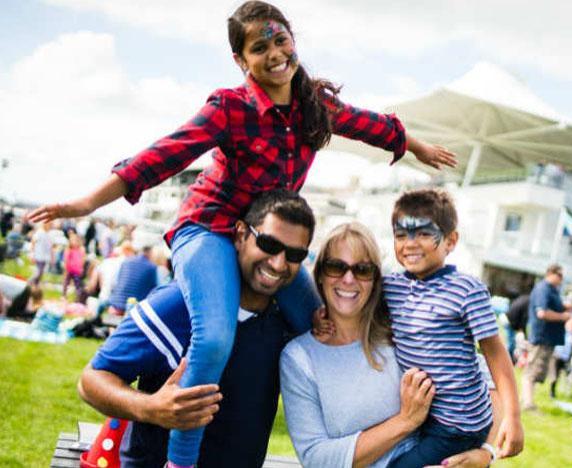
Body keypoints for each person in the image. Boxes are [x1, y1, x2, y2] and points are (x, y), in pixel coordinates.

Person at [27, 2, 456, 466]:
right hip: (209, 229)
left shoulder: (315, 104)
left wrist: (415, 146)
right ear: (240, 60)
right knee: (212, 338)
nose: (274, 53)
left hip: (265, 230)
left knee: (321, 318)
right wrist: (89, 203)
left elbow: (368, 124)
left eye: (280, 40)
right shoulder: (230, 107)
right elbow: (163, 155)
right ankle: (181, 460)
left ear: (293, 39)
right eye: (259, 47)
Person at [78, 190, 321, 467]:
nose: (278, 263)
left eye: (294, 254)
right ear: (241, 235)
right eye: (267, 244)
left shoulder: (285, 322)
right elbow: (91, 381)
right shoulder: (178, 306)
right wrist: (151, 408)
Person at [281, 222, 501, 468]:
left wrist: (486, 453)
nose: (348, 279)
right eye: (336, 267)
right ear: (320, 274)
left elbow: (490, 381)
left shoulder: (402, 331)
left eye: (362, 270)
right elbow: (316, 458)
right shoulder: (300, 358)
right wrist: (405, 421)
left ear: (375, 279)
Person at [382, 189, 523, 467]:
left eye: (423, 233)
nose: (410, 244)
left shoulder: (466, 290)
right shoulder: (392, 287)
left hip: (458, 422)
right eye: (401, 235)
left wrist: (513, 417)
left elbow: (495, 353)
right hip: (422, 413)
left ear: (451, 240)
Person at [522, 263, 571, 410]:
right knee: (532, 370)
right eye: (560, 275)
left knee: (537, 371)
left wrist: (563, 307)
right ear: (551, 273)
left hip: (547, 337)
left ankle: (526, 399)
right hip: (541, 336)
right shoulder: (543, 288)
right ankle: (528, 402)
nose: (562, 279)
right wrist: (563, 316)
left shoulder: (552, 290)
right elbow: (542, 313)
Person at [107, 245, 158, 315]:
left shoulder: (126, 261)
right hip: (135, 308)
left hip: (115, 305)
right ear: (150, 254)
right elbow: (154, 290)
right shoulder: (152, 267)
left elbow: (117, 281)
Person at [549, 313, 572, 399]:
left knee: (567, 374)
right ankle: (552, 391)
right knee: (554, 375)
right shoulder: (561, 331)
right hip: (557, 355)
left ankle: (566, 393)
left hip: (566, 358)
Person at [505, 293, 530, 363]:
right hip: (510, 320)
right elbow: (524, 319)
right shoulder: (529, 303)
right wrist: (524, 333)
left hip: (508, 317)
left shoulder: (526, 298)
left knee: (511, 342)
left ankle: (511, 360)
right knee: (511, 343)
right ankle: (510, 361)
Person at [62, 232, 86, 303]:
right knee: (66, 283)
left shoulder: (81, 249)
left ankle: (78, 297)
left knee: (77, 284)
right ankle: (64, 295)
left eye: (76, 240)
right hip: (69, 269)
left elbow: (83, 259)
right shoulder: (69, 249)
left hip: (76, 270)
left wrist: (81, 268)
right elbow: (66, 259)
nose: (74, 242)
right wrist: (65, 268)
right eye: (72, 241)